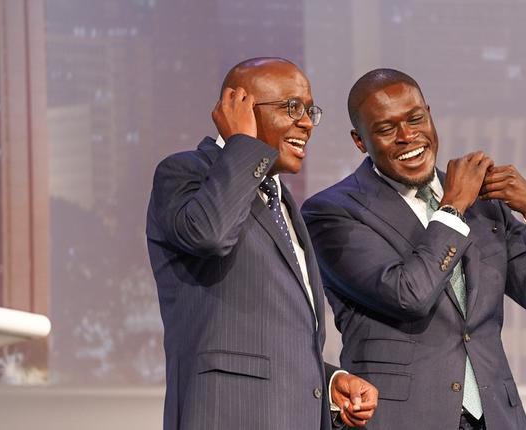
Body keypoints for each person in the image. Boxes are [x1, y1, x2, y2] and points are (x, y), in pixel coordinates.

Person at [301, 68, 526, 430]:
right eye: (387, 129)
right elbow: (408, 294)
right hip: (402, 418)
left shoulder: (483, 202)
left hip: (496, 415)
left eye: (415, 119)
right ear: (360, 141)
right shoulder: (332, 212)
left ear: (430, 115)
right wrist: (451, 210)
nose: (407, 136)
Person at [146, 57, 378, 430]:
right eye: (291, 108)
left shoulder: (281, 199)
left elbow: (272, 339)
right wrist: (241, 142)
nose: (306, 122)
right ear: (240, 108)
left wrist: (328, 381)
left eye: (309, 110)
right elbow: (210, 234)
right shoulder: (185, 173)